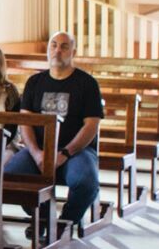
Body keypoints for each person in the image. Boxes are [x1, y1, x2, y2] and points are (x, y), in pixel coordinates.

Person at [9, 31, 105, 233]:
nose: (57, 51)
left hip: (76, 152)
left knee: (86, 182)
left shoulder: (87, 84)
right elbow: (25, 122)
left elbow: (91, 126)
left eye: (64, 46)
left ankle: (66, 221)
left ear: (73, 52)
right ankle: (43, 215)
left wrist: (65, 153)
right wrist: (35, 152)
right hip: (39, 150)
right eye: (53, 45)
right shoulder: (35, 82)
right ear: (47, 50)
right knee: (10, 177)